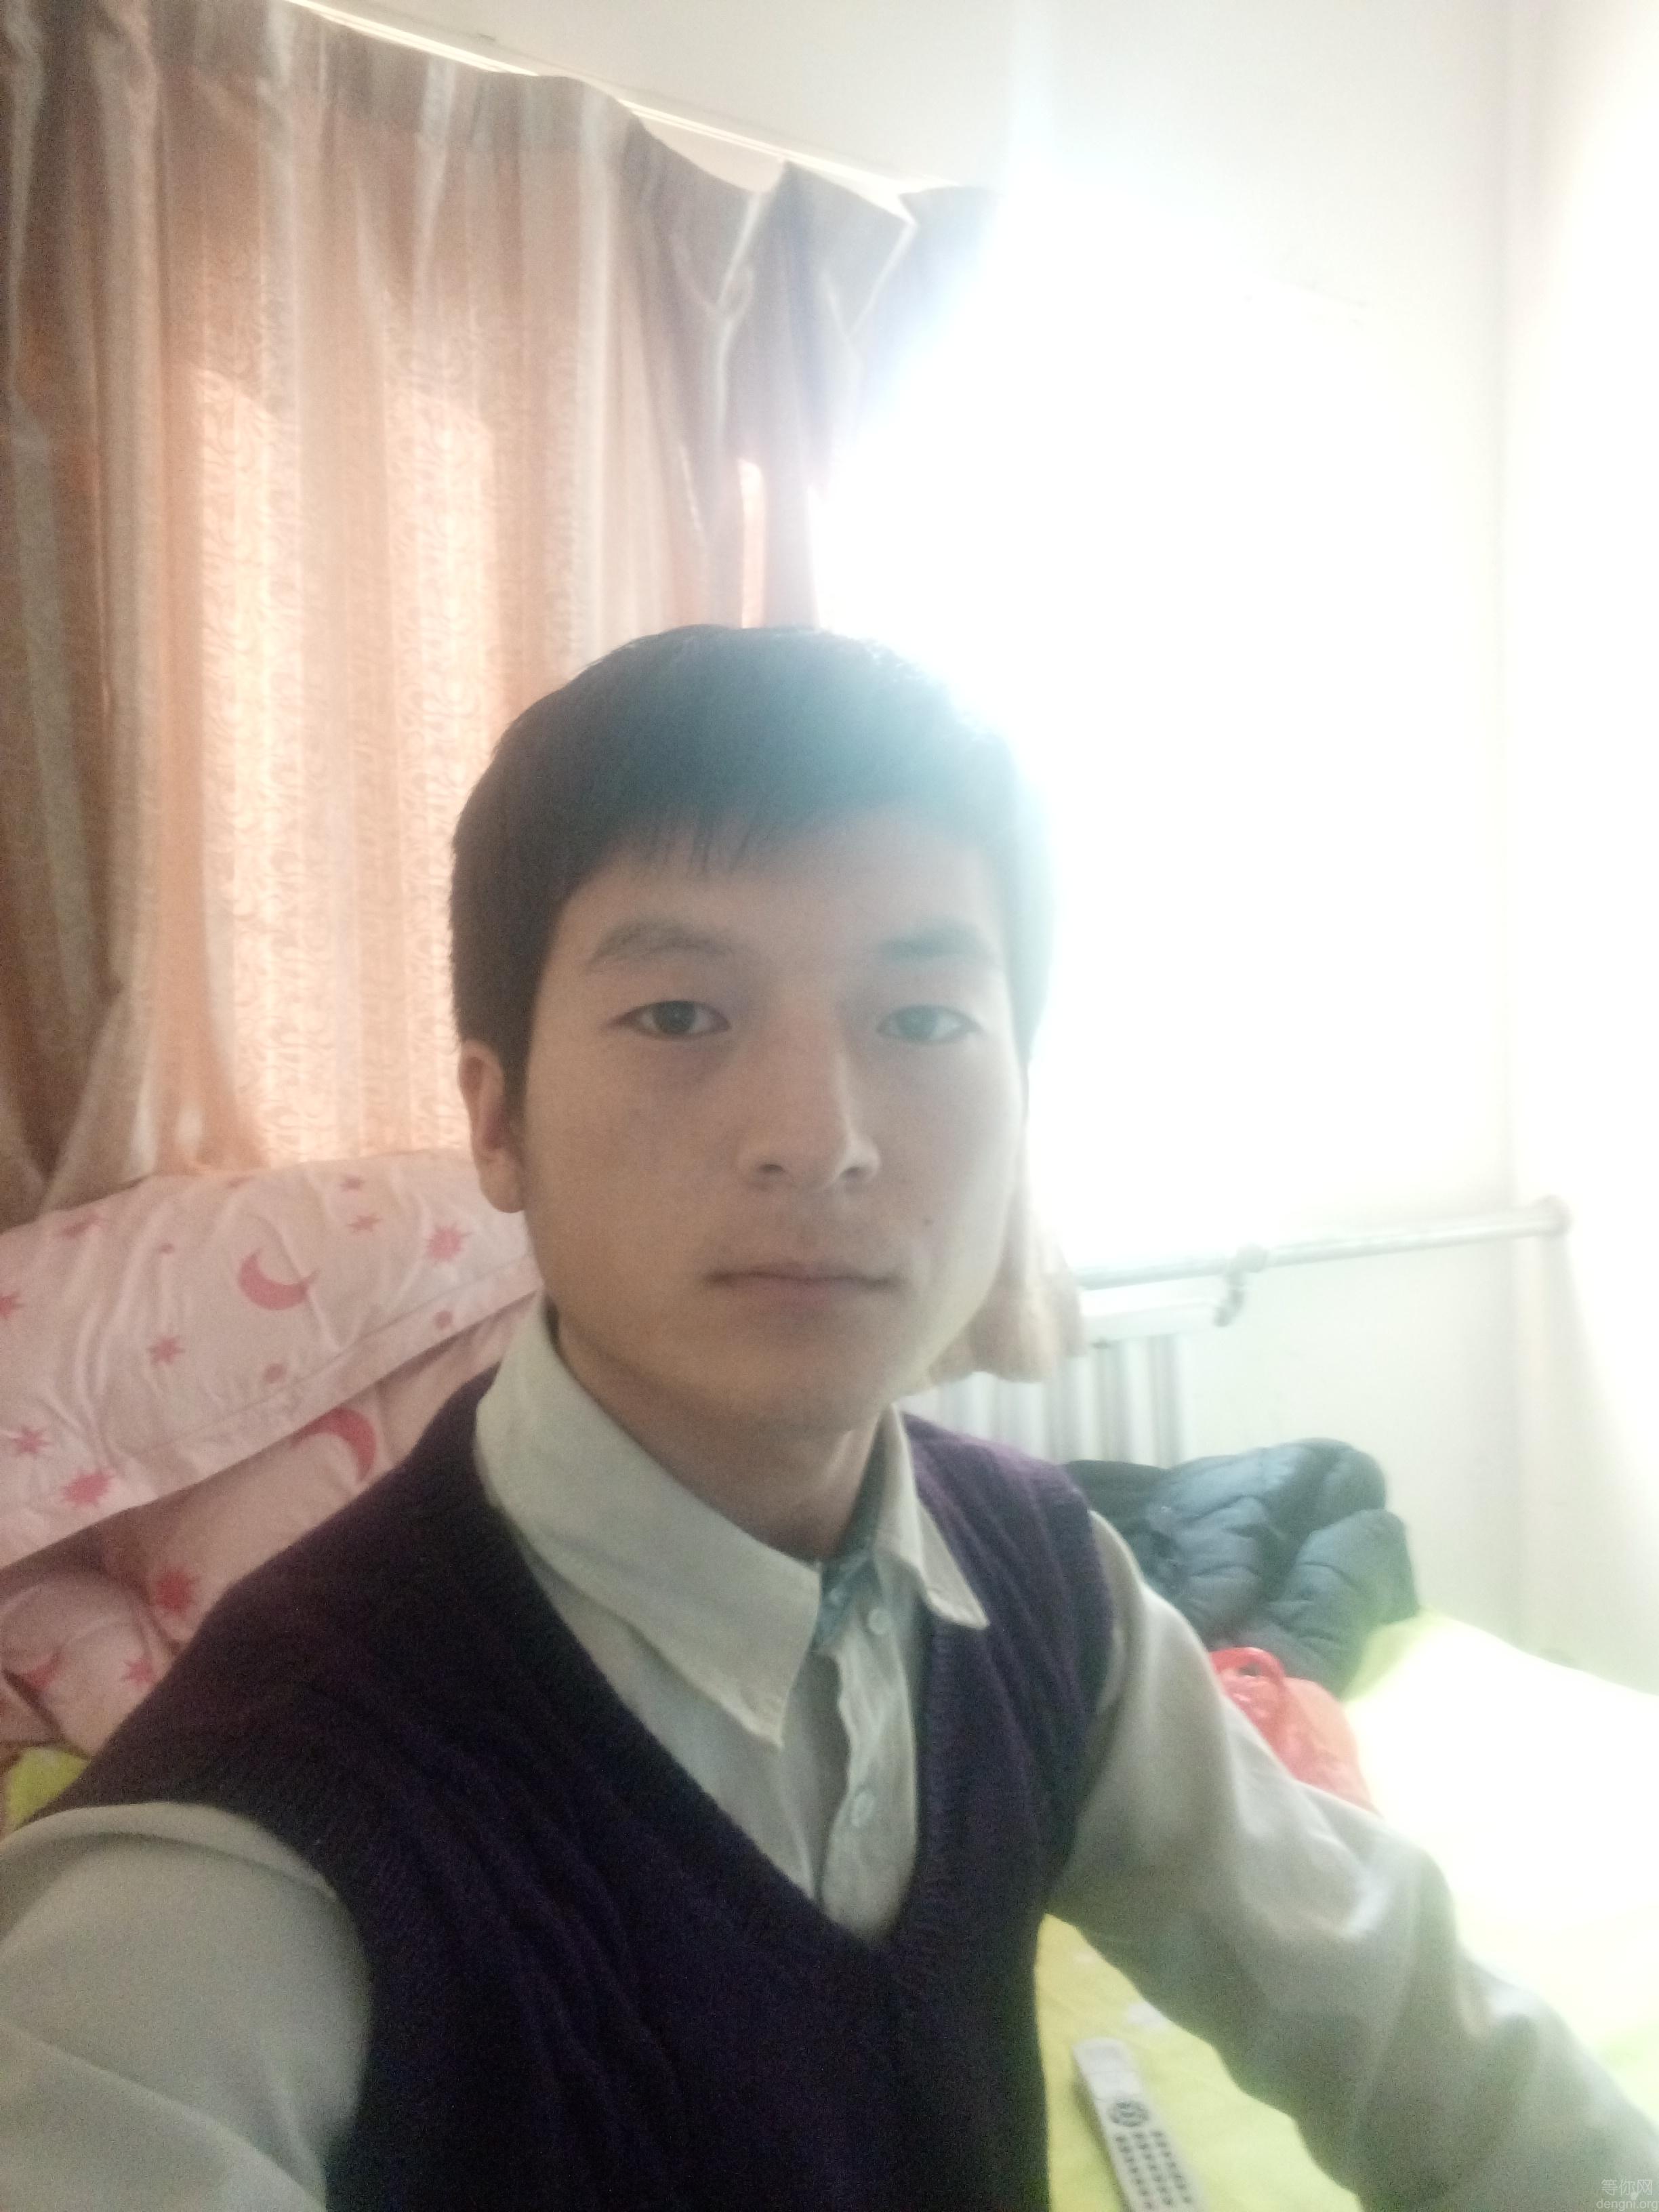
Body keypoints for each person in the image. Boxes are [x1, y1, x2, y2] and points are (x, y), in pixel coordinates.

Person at [0, 626, 1652, 2209]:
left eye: (924, 1019)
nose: (820, 1135)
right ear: (496, 1123)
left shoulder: (1047, 1587)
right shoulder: (248, 1851)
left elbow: (1435, 2052)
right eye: (679, 1015)